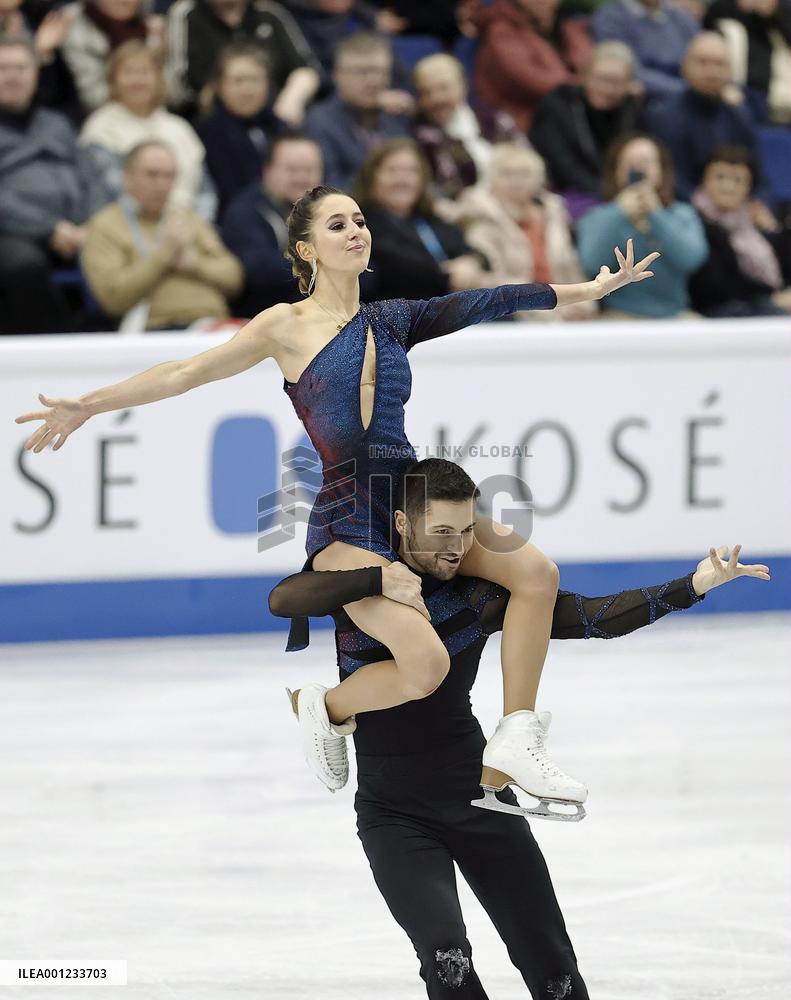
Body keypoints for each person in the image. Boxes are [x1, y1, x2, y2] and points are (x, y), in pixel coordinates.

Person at [14, 183, 658, 818]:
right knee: (426, 663)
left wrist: (588, 291)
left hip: (412, 497)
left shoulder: (394, 319)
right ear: (306, 248)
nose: (356, 232)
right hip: (349, 513)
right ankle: (325, 707)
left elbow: (483, 301)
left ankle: (517, 733)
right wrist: (88, 405)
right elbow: (186, 372)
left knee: (536, 573)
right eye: (337, 225)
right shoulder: (283, 325)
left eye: (359, 221)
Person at [266, 457, 770, 997]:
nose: (455, 548)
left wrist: (694, 584)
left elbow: (592, 617)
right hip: (393, 813)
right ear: (401, 524)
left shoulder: (478, 597)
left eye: (465, 532)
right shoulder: (363, 594)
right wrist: (376, 576)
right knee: (447, 960)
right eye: (440, 533)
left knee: (552, 964)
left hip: (479, 796)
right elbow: (284, 598)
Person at [0, 36, 108, 334]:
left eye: (21, 68)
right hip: (13, 233)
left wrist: (92, 223)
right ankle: (57, 346)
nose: (12, 76)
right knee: (23, 266)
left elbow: (91, 177)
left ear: (35, 73)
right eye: (4, 68)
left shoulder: (56, 123)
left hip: (79, 229)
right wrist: (49, 228)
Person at [80, 141, 244, 330]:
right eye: (152, 174)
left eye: (169, 176)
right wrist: (163, 257)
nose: (162, 185)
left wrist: (195, 264)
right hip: (158, 328)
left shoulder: (187, 219)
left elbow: (234, 278)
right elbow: (113, 298)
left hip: (214, 324)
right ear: (127, 176)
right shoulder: (105, 225)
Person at [452, 145, 598, 321]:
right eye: (508, 173)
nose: (517, 180)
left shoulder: (554, 217)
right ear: (491, 179)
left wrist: (584, 301)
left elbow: (571, 269)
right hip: (513, 318)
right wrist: (544, 308)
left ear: (539, 180)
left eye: (525, 173)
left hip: (564, 312)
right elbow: (486, 281)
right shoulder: (481, 220)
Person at [577, 133, 707, 318]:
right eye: (629, 162)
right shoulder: (598, 216)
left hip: (675, 314)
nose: (637, 168)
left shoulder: (682, 214)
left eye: (646, 162)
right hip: (618, 314)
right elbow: (590, 263)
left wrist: (657, 214)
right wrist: (618, 213)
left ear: (662, 170)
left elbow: (691, 260)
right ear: (616, 171)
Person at [79, 40, 214, 217]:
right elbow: (110, 191)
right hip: (127, 227)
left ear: (159, 79)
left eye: (145, 72)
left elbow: (206, 192)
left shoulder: (179, 127)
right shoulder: (101, 128)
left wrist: (195, 225)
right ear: (113, 80)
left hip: (187, 225)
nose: (138, 80)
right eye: (129, 72)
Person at [354, 137, 490, 301]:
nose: (403, 179)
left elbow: (476, 253)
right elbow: (401, 267)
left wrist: (470, 263)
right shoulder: (362, 225)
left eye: (412, 171)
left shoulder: (429, 221)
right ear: (371, 178)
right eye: (392, 170)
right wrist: (451, 276)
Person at [529, 41, 642, 216]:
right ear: (584, 76)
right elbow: (561, 164)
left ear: (630, 85)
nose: (608, 89)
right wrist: (606, 195)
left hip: (619, 193)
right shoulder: (557, 105)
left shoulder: (631, 108)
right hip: (569, 193)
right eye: (602, 79)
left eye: (617, 82)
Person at [643, 31, 759, 200]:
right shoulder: (663, 117)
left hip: (736, 209)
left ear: (731, 71)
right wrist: (711, 210)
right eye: (702, 62)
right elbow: (671, 181)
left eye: (720, 64)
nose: (711, 72)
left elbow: (759, 177)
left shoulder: (740, 116)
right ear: (684, 67)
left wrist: (761, 203)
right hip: (684, 213)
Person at [222, 133, 324, 316]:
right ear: (267, 171)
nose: (302, 178)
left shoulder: (331, 209)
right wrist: (326, 263)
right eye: (292, 170)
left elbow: (365, 270)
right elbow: (259, 270)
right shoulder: (245, 211)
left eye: (309, 170)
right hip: (263, 320)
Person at [166, 0, 321, 120]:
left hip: (272, 116)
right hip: (208, 118)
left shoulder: (270, 14)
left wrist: (291, 100)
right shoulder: (187, 14)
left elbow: (308, 69)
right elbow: (178, 85)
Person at [689, 145, 791, 316]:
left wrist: (777, 232)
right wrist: (772, 298)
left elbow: (784, 271)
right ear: (704, 181)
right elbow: (714, 286)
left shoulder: (754, 221)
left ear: (749, 188)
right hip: (719, 311)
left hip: (758, 304)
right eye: (720, 177)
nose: (728, 187)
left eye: (738, 180)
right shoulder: (693, 219)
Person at [303, 31, 411, 190]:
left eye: (379, 71)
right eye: (361, 72)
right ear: (337, 75)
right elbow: (328, 191)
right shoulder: (319, 123)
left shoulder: (395, 118)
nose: (373, 81)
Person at [467, 0, 592, 133]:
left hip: (565, 117)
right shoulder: (501, 32)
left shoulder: (563, 24)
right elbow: (534, 81)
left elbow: (590, 64)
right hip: (521, 128)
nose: (552, 3)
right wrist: (582, 84)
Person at [411, 52, 522, 200]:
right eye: (427, 92)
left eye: (443, 88)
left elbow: (526, 157)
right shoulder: (424, 136)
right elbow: (450, 190)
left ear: (462, 86)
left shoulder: (493, 119)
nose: (436, 98)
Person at [194, 43, 287, 217]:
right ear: (218, 87)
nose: (247, 90)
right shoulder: (206, 133)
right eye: (238, 81)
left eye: (255, 80)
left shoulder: (281, 129)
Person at [61, 0, 166, 112]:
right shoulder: (73, 27)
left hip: (155, 112)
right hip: (96, 114)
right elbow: (93, 97)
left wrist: (161, 49)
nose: (123, 2)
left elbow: (172, 93)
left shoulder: (154, 28)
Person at [591, 0, 699, 102]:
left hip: (691, 95)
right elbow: (627, 70)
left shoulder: (680, 17)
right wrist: (686, 90)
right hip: (646, 100)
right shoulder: (611, 18)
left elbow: (700, 50)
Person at [703, 0, 791, 124]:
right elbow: (708, 23)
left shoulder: (779, 8)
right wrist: (741, 7)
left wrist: (773, 13)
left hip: (772, 89)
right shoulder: (724, 7)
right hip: (739, 85)